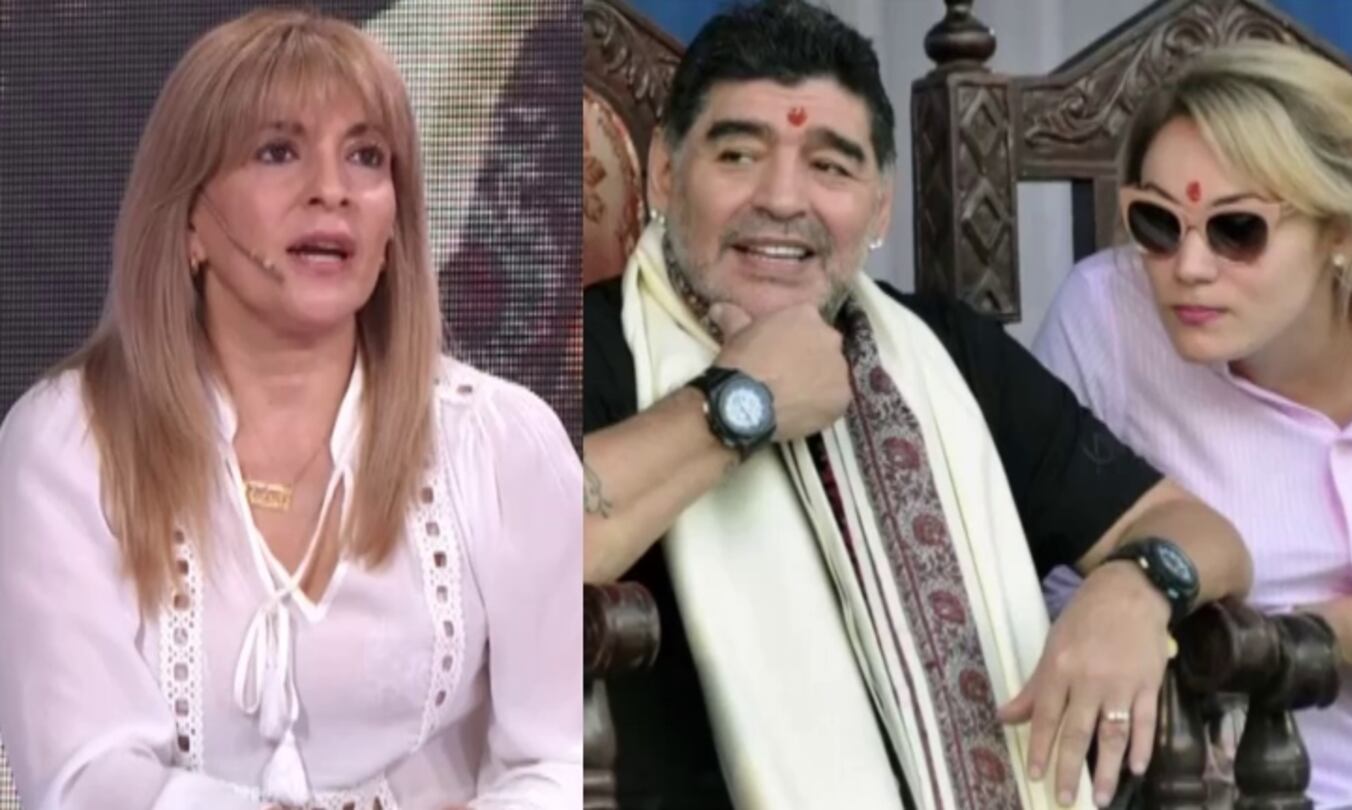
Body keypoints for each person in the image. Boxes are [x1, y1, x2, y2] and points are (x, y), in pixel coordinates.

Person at [582, 2, 1253, 808]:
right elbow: (526, 552)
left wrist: (1138, 585)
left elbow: (1201, 532)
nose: (784, 198)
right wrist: (743, 401)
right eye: (738, 155)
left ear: (880, 206)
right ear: (665, 172)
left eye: (832, 167)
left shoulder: (945, 354)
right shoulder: (586, 348)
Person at [0, 9, 579, 809]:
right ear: (190, 219)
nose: (331, 190)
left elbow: (556, 765)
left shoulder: (505, 444)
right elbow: (84, 778)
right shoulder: (66, 443)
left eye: (366, 157)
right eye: (278, 151)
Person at [1034, 42, 1352, 809]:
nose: (1188, 266)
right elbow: (1047, 615)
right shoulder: (1108, 322)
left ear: (1338, 232)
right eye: (1157, 223)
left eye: (1237, 230)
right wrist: (1304, 643)